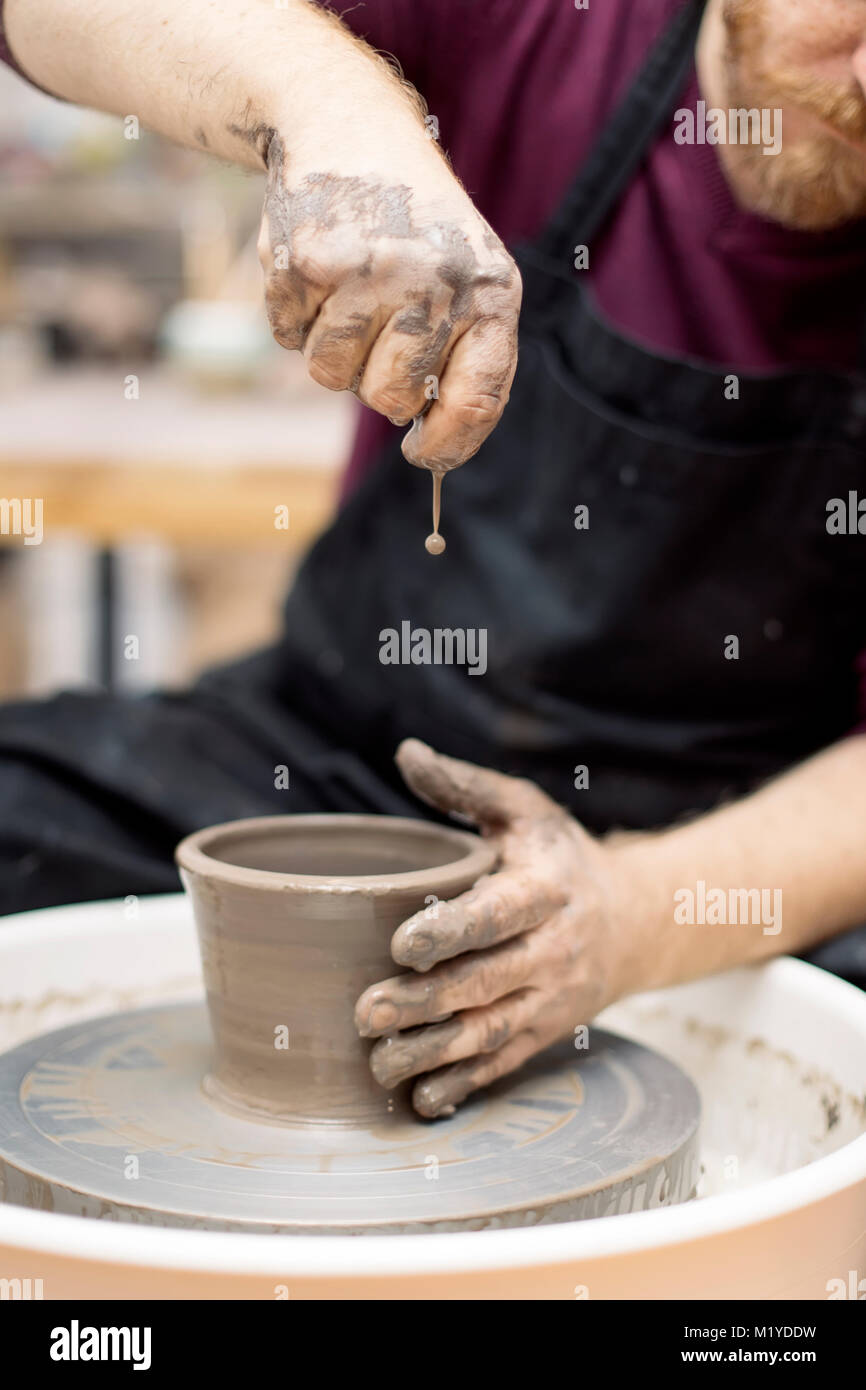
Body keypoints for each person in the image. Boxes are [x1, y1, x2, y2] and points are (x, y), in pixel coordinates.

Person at [2, 0, 866, 1119]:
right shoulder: (552, 25)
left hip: (757, 855)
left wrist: (629, 915)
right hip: (348, 758)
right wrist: (328, 101)